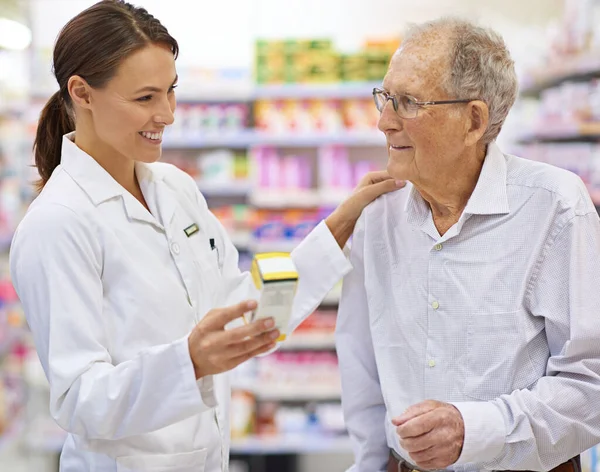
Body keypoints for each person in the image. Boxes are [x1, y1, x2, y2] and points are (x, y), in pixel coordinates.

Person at [8, 1, 403, 471]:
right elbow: (80, 400)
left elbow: (237, 310)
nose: (168, 114)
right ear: (82, 92)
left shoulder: (175, 188)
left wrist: (338, 228)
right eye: (145, 98)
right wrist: (189, 362)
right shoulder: (58, 222)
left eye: (171, 91)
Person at [336, 16, 600, 472]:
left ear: (473, 120)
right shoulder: (378, 216)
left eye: (407, 103)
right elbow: (363, 372)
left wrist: (478, 429)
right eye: (384, 98)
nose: (383, 122)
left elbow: (589, 381)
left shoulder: (553, 207)